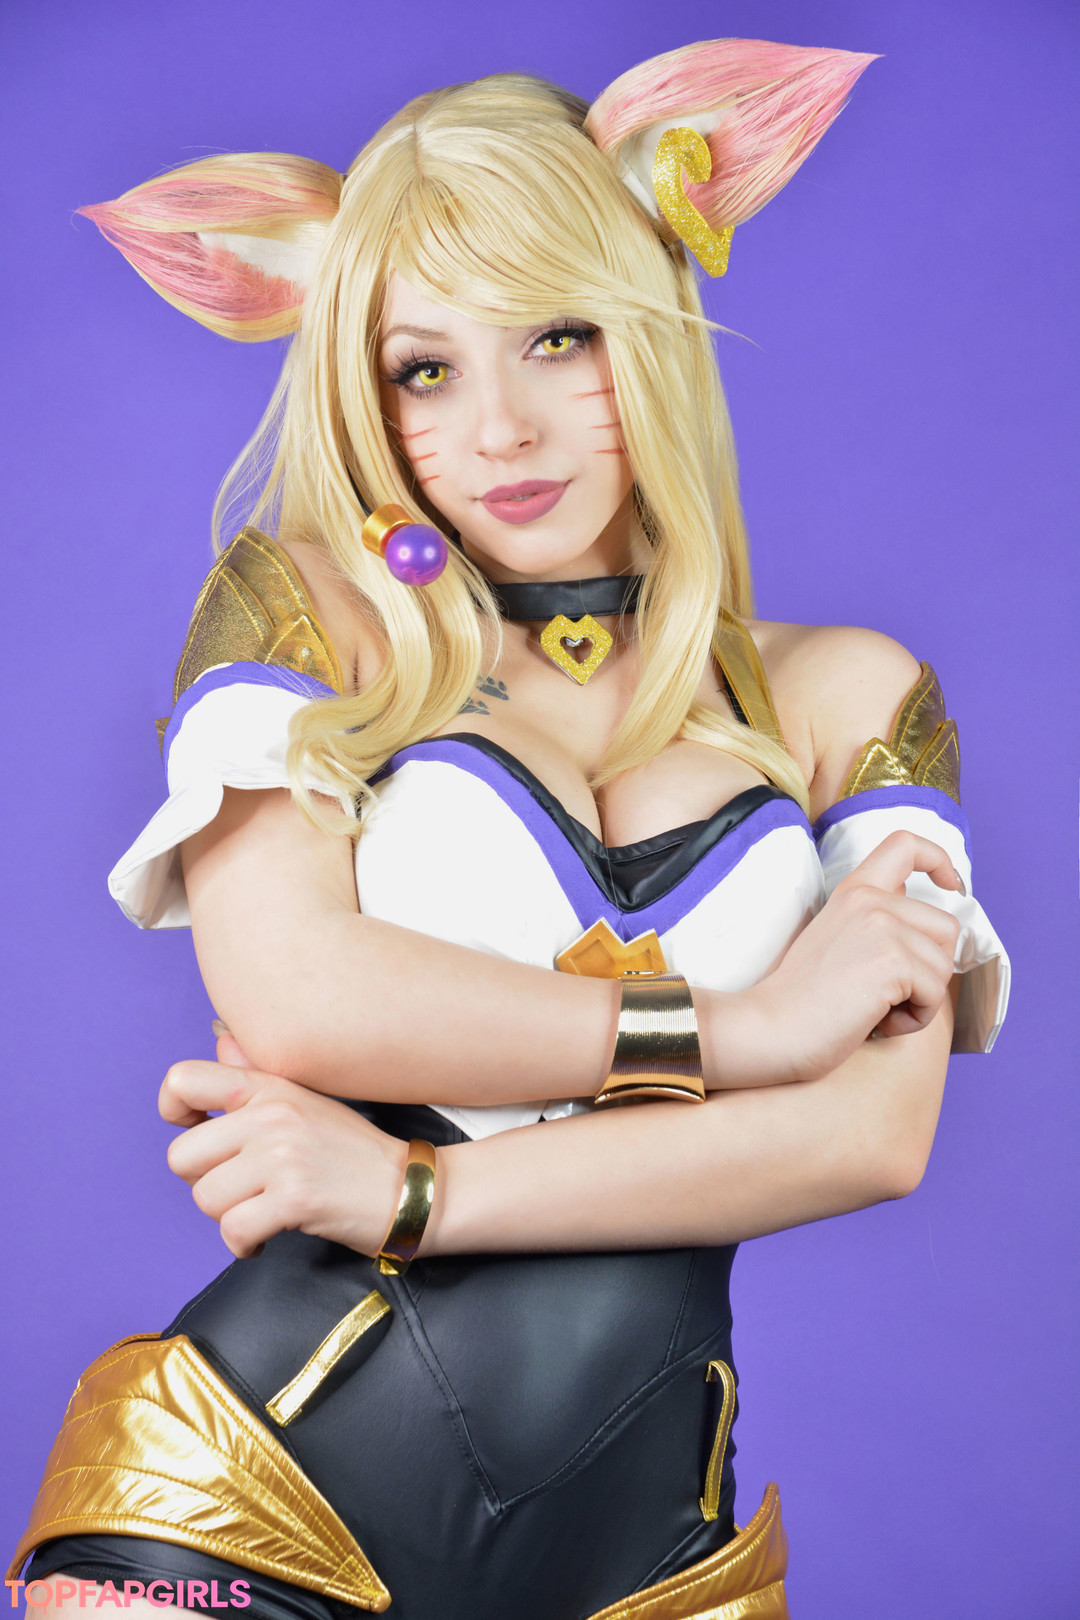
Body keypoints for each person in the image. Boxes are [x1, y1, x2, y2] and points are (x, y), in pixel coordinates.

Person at [9, 39, 1009, 1620]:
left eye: (558, 336)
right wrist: (756, 1029)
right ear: (365, 392)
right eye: (426, 368)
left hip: (656, 1569)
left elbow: (869, 1136)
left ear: (650, 324)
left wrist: (415, 1196)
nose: (501, 430)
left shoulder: (847, 696)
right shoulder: (316, 619)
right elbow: (300, 996)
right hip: (244, 1502)